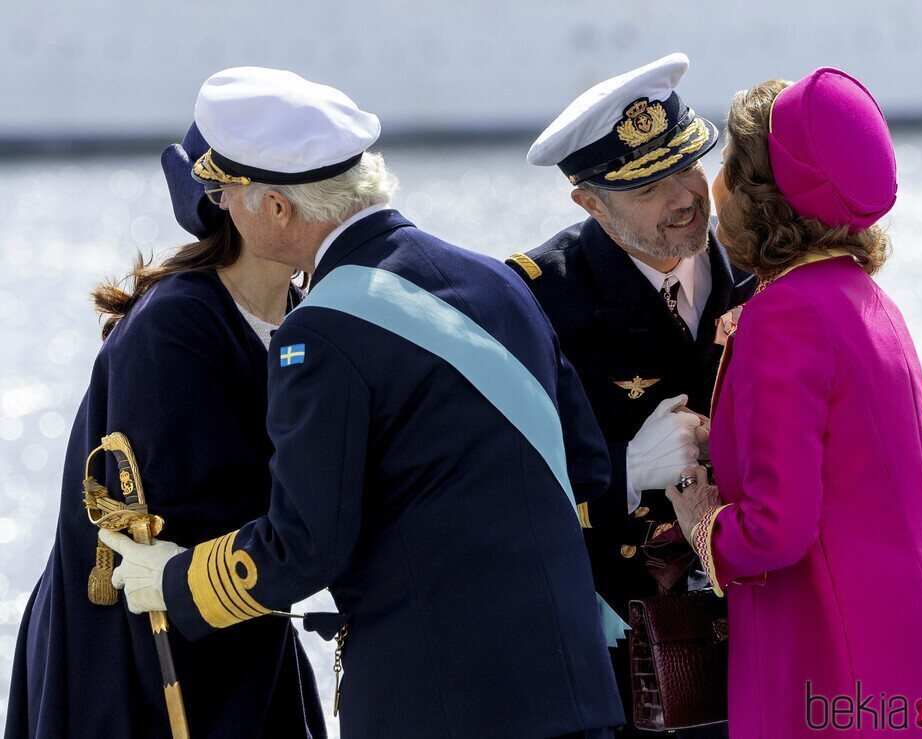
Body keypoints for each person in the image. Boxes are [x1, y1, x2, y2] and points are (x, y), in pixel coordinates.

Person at [101, 66, 625, 738]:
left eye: (226, 194)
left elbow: (305, 546)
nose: (220, 209)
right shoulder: (498, 281)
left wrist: (176, 581)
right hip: (575, 691)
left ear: (278, 209)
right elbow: (586, 468)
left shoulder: (319, 333)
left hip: (439, 707)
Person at [667, 67, 922, 736]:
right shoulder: (866, 299)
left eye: (727, 164)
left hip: (842, 665)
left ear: (760, 197)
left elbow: (776, 529)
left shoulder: (785, 315)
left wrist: (703, 523)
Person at [4, 121, 327, 737]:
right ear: (251, 205)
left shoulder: (300, 316)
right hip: (140, 658)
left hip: (234, 632)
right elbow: (178, 515)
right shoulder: (176, 326)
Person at [506, 53, 755, 737]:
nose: (684, 196)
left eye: (687, 164)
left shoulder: (758, 265)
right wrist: (621, 470)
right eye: (649, 186)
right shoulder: (533, 301)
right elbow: (500, 490)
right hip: (620, 656)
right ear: (588, 201)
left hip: (763, 625)